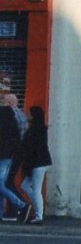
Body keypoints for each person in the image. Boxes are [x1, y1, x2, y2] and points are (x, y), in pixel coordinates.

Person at [17, 106, 50, 225]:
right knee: (25, 186)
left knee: (35, 189)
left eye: (29, 113)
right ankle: (37, 209)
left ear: (34, 116)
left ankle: (39, 215)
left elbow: (31, 148)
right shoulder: (39, 129)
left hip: (37, 163)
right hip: (41, 162)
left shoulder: (34, 131)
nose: (27, 114)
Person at [0, 93, 29, 222]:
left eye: (4, 101)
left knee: (3, 184)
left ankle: (21, 205)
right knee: (4, 183)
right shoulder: (21, 115)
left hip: (6, 154)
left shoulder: (7, 116)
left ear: (9, 103)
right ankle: (3, 213)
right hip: (14, 153)